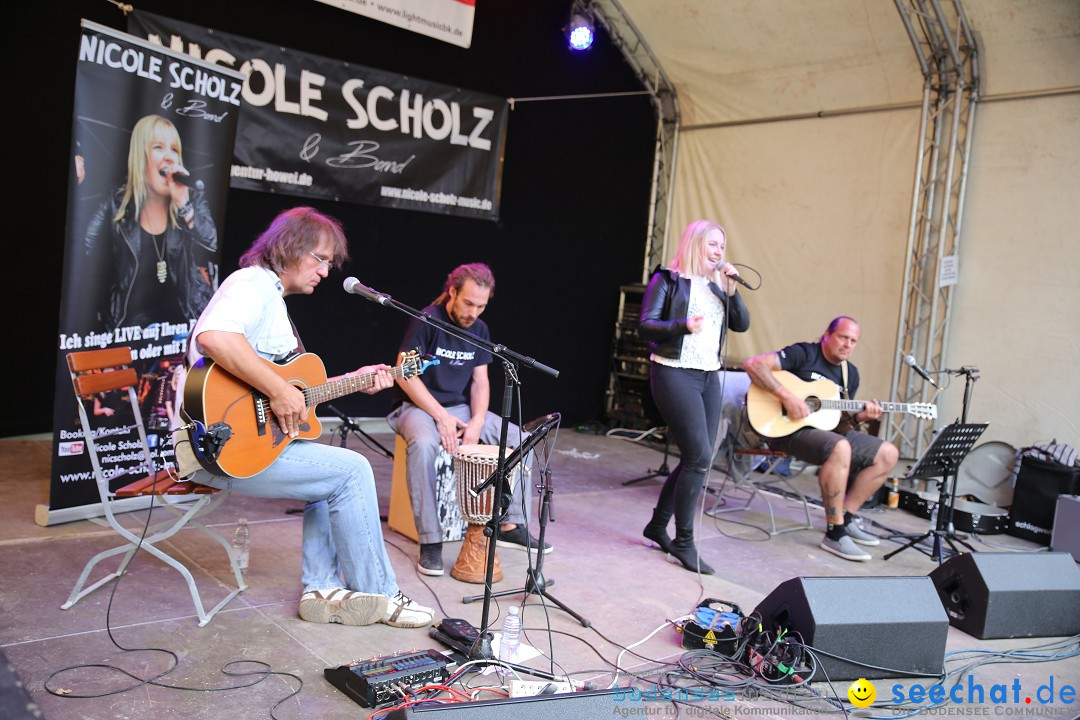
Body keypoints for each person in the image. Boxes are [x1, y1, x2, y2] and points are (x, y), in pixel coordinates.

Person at [176, 206, 434, 628]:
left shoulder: (271, 298)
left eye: (330, 263)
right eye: (321, 258)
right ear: (289, 246)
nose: (326, 271)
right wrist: (279, 390)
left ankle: (322, 588)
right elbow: (215, 338)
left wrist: (351, 380)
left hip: (236, 445)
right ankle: (382, 595)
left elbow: (292, 389)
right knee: (351, 471)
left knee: (327, 476)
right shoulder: (251, 284)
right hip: (215, 451)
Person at [386, 263, 550, 577]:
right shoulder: (426, 320)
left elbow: (480, 382)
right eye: (468, 303)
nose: (473, 312)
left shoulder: (480, 329)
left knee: (521, 440)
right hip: (414, 406)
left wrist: (476, 421)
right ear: (452, 292)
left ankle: (510, 522)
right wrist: (440, 416)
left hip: (458, 410)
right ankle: (430, 541)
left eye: (481, 306)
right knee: (423, 444)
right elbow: (405, 376)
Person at [638, 220, 751, 574]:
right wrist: (681, 325)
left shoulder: (718, 288)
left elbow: (742, 324)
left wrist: (732, 291)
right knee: (700, 456)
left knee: (697, 455)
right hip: (673, 371)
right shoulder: (668, 280)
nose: (719, 252)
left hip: (708, 375)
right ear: (695, 244)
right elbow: (645, 325)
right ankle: (683, 541)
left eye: (722, 246)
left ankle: (658, 526)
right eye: (713, 245)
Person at [742, 316, 899, 562]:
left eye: (853, 341)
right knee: (840, 446)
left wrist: (860, 417)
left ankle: (846, 519)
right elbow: (753, 364)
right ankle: (834, 533)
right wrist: (787, 397)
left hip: (823, 433)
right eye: (843, 337)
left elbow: (838, 423)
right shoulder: (804, 353)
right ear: (827, 334)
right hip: (784, 430)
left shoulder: (850, 375)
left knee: (888, 453)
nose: (848, 345)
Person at [84, 114, 218, 329]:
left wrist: (183, 204)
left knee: (200, 361)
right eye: (158, 147)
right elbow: (86, 256)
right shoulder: (116, 204)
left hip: (185, 326)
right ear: (141, 156)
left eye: (174, 149)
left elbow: (211, 241)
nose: (169, 157)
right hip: (130, 331)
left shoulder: (190, 199)